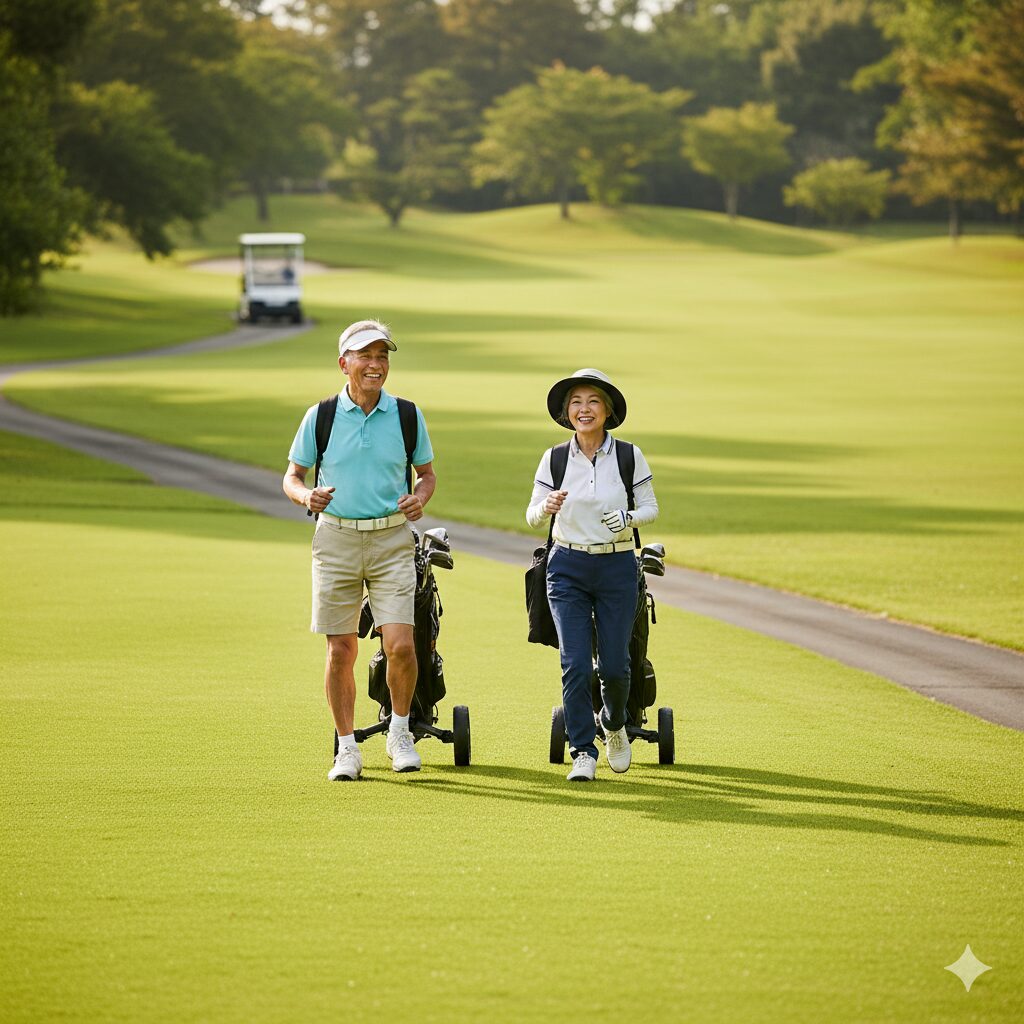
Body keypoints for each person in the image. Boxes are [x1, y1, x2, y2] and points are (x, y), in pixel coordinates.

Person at [283, 320, 436, 781]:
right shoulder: (321, 416)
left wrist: (420, 497)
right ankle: (347, 748)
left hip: (391, 539)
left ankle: (400, 732)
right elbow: (291, 476)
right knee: (341, 650)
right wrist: (305, 496)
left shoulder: (407, 414)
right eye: (365, 356)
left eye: (382, 356)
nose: (375, 365)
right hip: (336, 540)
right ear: (343, 363)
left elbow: (426, 475)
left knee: (402, 645)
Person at [526, 369, 659, 782]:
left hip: (617, 566)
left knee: (617, 667)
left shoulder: (628, 456)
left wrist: (628, 518)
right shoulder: (555, 458)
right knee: (576, 663)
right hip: (567, 567)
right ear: (567, 413)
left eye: (593, 402)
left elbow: (651, 509)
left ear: (607, 411)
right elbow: (531, 517)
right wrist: (546, 505)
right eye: (576, 403)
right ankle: (582, 750)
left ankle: (615, 724)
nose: (584, 409)